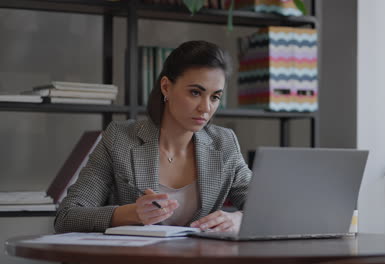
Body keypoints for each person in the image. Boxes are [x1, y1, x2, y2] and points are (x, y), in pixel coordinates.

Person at [54, 40, 252, 233]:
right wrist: (130, 213)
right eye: (195, 93)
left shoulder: (224, 142)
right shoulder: (119, 139)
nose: (206, 108)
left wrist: (238, 218)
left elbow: (269, 208)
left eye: (215, 97)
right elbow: (67, 217)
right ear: (166, 87)